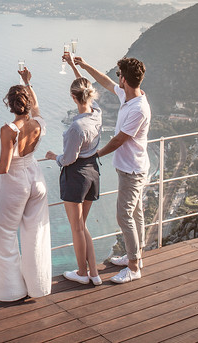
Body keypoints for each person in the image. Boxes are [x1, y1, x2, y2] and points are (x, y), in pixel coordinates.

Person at [73, 55, 151, 284]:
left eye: (119, 76)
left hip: (132, 170)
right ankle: (135, 255)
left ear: (125, 79)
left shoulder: (139, 109)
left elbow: (118, 140)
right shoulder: (129, 96)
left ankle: (134, 266)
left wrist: (92, 154)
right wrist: (85, 65)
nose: (117, 80)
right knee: (136, 213)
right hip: (130, 167)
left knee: (124, 215)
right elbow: (105, 82)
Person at [0, 68, 52, 301]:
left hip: (15, 183)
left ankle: (11, 292)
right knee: (36, 234)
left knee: (3, 234)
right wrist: (27, 82)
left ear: (10, 105)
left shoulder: (8, 130)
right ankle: (39, 287)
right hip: (36, 178)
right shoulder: (38, 124)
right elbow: (37, 106)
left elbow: (3, 167)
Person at [45, 53, 103, 286]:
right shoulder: (96, 113)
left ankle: (82, 272)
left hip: (77, 176)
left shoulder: (76, 127)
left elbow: (68, 158)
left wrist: (53, 157)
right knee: (82, 226)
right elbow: (85, 90)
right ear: (89, 95)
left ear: (72, 97)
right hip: (93, 173)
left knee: (76, 228)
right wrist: (73, 66)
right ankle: (95, 273)